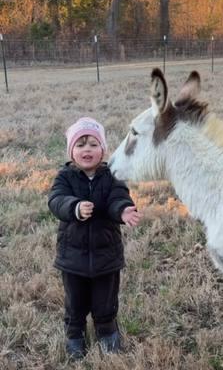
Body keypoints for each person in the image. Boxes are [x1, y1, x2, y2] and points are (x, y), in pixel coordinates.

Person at [48, 117, 142, 360]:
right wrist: (75, 207)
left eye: (93, 144)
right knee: (75, 302)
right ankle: (75, 334)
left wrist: (123, 210)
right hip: (73, 257)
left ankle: (107, 331)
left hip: (105, 255)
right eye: (80, 144)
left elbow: (117, 197)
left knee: (106, 300)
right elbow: (56, 201)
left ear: (103, 149)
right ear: (71, 151)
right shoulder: (64, 177)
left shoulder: (112, 175)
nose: (86, 149)